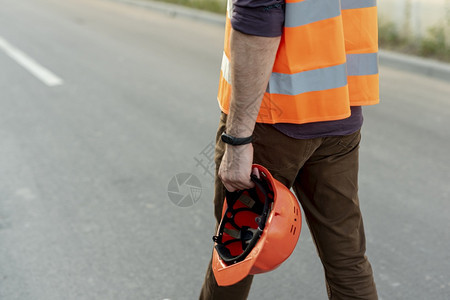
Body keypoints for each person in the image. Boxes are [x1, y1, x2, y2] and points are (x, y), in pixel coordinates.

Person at [200, 0, 379, 299]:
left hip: (273, 120)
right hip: (340, 112)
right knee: (347, 260)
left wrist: (238, 139)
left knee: (236, 252)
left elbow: (258, 20)